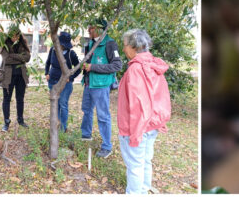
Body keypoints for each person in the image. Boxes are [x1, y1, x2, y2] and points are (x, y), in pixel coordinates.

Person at [117, 29, 172, 194]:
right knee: (145, 160)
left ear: (134, 47)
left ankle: (134, 193)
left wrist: (135, 133)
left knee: (135, 164)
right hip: (151, 124)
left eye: (125, 45)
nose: (124, 49)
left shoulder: (136, 69)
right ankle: (144, 189)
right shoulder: (153, 64)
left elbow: (137, 104)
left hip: (137, 126)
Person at [81, 18, 123, 158]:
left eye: (91, 27)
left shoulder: (110, 44)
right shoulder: (91, 43)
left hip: (101, 85)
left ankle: (107, 146)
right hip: (89, 83)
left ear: (100, 29)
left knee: (103, 115)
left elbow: (117, 66)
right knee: (86, 110)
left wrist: (93, 67)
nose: (89, 30)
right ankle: (86, 134)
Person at [45, 31, 81, 132]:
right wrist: (46, 73)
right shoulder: (53, 50)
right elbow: (48, 63)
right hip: (53, 81)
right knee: (55, 104)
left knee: (63, 104)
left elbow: (78, 68)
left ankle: (63, 127)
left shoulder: (71, 54)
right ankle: (56, 125)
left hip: (65, 83)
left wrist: (71, 77)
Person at [0, 27, 31, 131]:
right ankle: (6, 122)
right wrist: (20, 58)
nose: (15, 38)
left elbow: (27, 58)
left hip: (21, 75)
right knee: (7, 99)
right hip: (8, 76)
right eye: (13, 35)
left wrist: (13, 56)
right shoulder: (4, 44)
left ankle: (20, 120)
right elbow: (6, 59)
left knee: (20, 99)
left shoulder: (22, 44)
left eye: (17, 35)